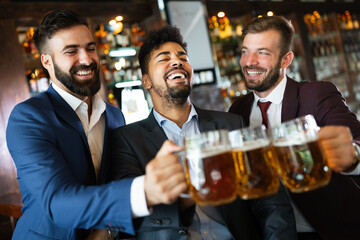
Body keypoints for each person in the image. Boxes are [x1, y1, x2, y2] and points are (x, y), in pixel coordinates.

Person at [6, 10, 187, 240]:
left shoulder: (114, 116)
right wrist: (143, 191)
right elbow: (57, 203)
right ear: (47, 61)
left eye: (90, 48)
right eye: (71, 51)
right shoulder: (29, 118)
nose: (86, 59)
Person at [108, 25, 296, 240]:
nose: (177, 61)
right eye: (163, 58)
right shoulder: (126, 139)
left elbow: (271, 200)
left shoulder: (231, 124)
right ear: (146, 81)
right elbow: (129, 212)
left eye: (183, 57)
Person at [229, 15, 360, 240]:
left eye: (262, 52)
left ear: (285, 59)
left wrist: (352, 156)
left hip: (332, 230)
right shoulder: (236, 111)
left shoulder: (316, 94)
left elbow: (354, 141)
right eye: (244, 51)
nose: (249, 61)